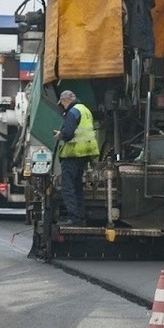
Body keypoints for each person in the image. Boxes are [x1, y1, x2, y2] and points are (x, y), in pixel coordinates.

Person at [52, 90, 98, 226]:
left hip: (73, 154)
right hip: (84, 154)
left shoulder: (73, 112)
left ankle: (74, 218)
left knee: (68, 187)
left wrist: (60, 134)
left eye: (62, 104)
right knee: (77, 187)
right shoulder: (85, 110)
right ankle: (81, 217)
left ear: (65, 100)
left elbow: (68, 133)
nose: (63, 107)